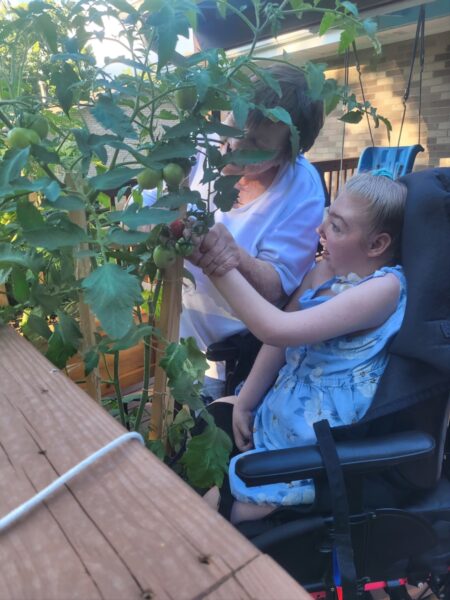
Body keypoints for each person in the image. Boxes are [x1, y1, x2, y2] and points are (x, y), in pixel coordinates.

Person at [201, 172, 408, 524]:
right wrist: (247, 401)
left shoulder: (384, 290)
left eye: (338, 227)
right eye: (329, 215)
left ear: (376, 245)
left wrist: (216, 264)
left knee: (233, 515)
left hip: (317, 437)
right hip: (282, 410)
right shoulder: (324, 271)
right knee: (213, 420)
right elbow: (276, 344)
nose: (321, 229)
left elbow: (278, 328)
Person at [143, 64, 326, 400]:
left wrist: (235, 256)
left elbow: (277, 288)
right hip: (174, 335)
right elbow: (143, 210)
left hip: (231, 358)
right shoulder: (197, 146)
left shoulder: (302, 188)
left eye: (256, 142)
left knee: (203, 426)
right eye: (232, 124)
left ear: (287, 154)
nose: (232, 144)